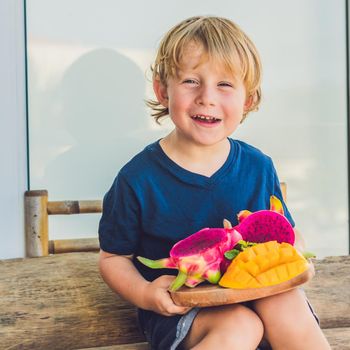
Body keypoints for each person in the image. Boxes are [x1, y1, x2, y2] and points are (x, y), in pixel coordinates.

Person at [98, 16, 331, 350]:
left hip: (260, 291)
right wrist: (147, 295)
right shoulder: (137, 179)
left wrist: (292, 252)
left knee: (286, 303)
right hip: (184, 311)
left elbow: (286, 236)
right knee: (240, 325)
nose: (207, 97)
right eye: (192, 81)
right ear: (163, 91)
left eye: (224, 85)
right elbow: (113, 259)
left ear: (247, 100)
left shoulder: (258, 166)